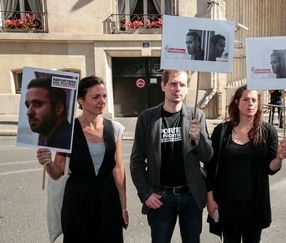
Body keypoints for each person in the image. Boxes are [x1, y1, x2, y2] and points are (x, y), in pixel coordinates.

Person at [36, 75, 128, 242]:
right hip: (78, 202)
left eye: (104, 96)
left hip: (108, 200)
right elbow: (57, 173)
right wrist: (47, 163)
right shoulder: (67, 130)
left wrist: (123, 205)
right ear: (80, 100)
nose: (102, 101)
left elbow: (118, 169)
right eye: (95, 97)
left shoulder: (115, 128)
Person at [130, 69, 213, 243]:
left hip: (191, 197)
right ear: (163, 85)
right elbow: (137, 162)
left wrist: (199, 139)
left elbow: (207, 157)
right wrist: (146, 194)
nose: (177, 88)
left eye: (182, 84)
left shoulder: (197, 116)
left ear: (188, 87)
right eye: (173, 83)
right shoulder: (147, 118)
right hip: (161, 198)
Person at [205, 85, 286, 243]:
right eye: (245, 99)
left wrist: (279, 157)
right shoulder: (221, 131)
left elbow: (271, 169)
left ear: (258, 103)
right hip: (228, 205)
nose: (250, 103)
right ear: (237, 102)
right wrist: (210, 198)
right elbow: (210, 167)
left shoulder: (268, 131)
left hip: (255, 205)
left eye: (254, 100)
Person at [25, 77, 72, 149]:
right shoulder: (55, 140)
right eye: (28, 105)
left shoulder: (66, 143)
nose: (29, 112)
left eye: (37, 104)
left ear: (59, 108)